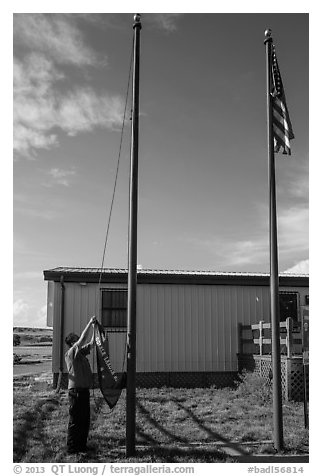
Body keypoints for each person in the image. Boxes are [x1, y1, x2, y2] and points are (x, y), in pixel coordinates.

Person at [65, 315, 97, 454]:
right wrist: (89, 323)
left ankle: (82, 446)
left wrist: (95, 328)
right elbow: (83, 339)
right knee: (76, 421)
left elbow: (92, 343)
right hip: (76, 392)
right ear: (72, 342)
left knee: (84, 420)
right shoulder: (71, 353)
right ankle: (72, 448)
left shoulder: (82, 354)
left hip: (84, 391)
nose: (79, 340)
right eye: (76, 339)